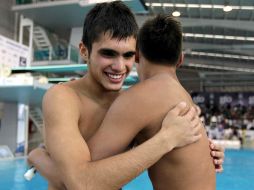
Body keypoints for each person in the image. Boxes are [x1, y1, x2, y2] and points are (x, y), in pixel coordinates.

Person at [28, 2, 224, 190]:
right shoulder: (63, 97)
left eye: (128, 55)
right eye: (109, 53)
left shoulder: (130, 102)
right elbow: (80, 184)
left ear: (137, 55)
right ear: (84, 51)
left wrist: (202, 154)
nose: (120, 67)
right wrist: (167, 139)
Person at [87, 14, 217, 190]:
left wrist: (39, 156)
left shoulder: (137, 99)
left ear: (137, 55)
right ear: (180, 59)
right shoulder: (184, 99)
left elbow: (85, 173)